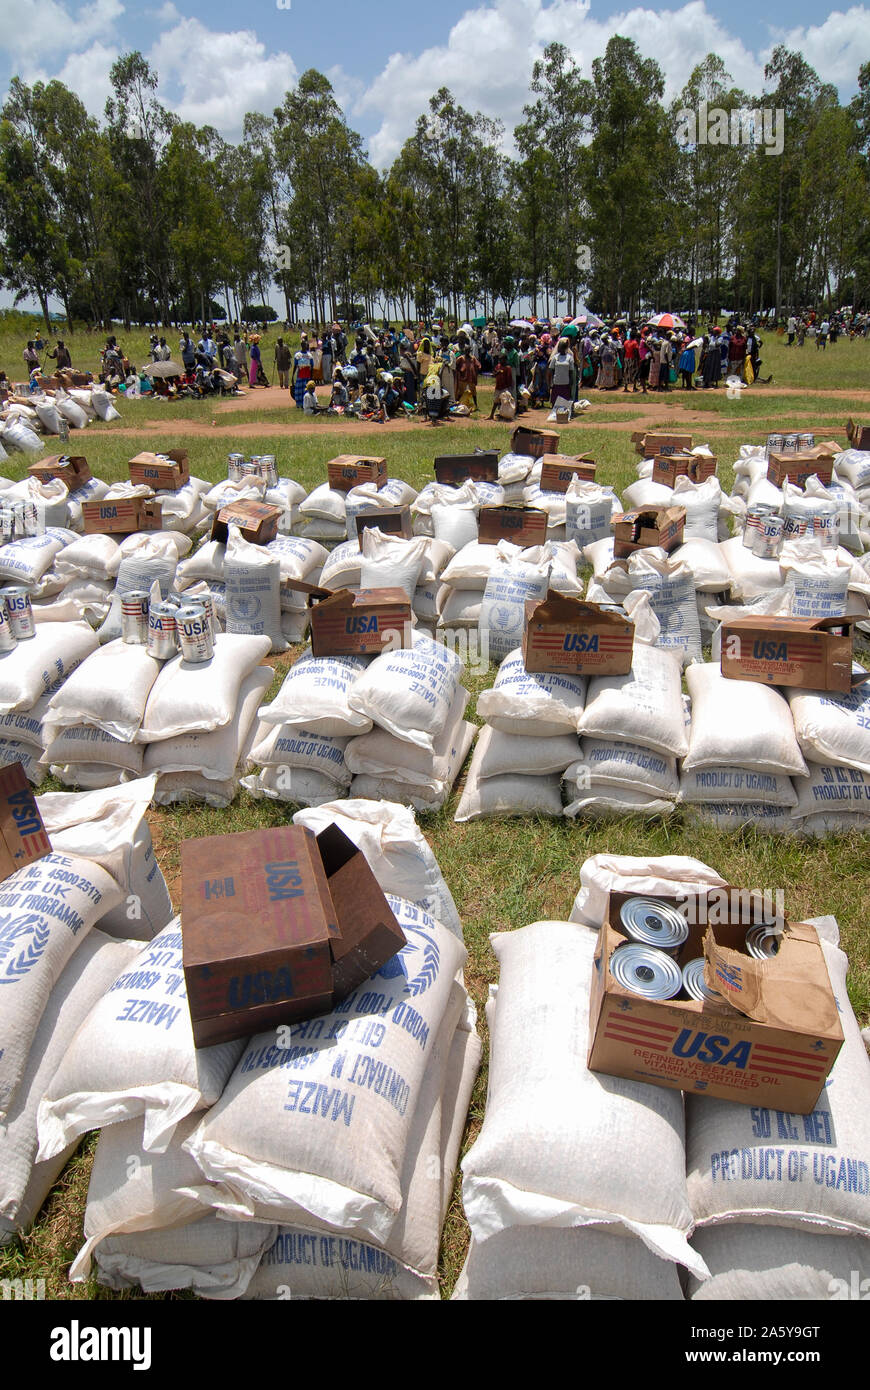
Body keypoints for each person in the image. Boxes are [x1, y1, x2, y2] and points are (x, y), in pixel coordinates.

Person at [292, 336, 315, 408]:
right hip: (300, 375)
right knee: (298, 391)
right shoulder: (297, 355)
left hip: (307, 375)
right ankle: (299, 405)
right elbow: (295, 366)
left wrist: (311, 377)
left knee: (306, 390)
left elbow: (312, 367)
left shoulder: (310, 356)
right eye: (303, 345)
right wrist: (292, 376)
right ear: (301, 345)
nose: (304, 346)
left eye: (305, 345)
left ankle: (307, 404)